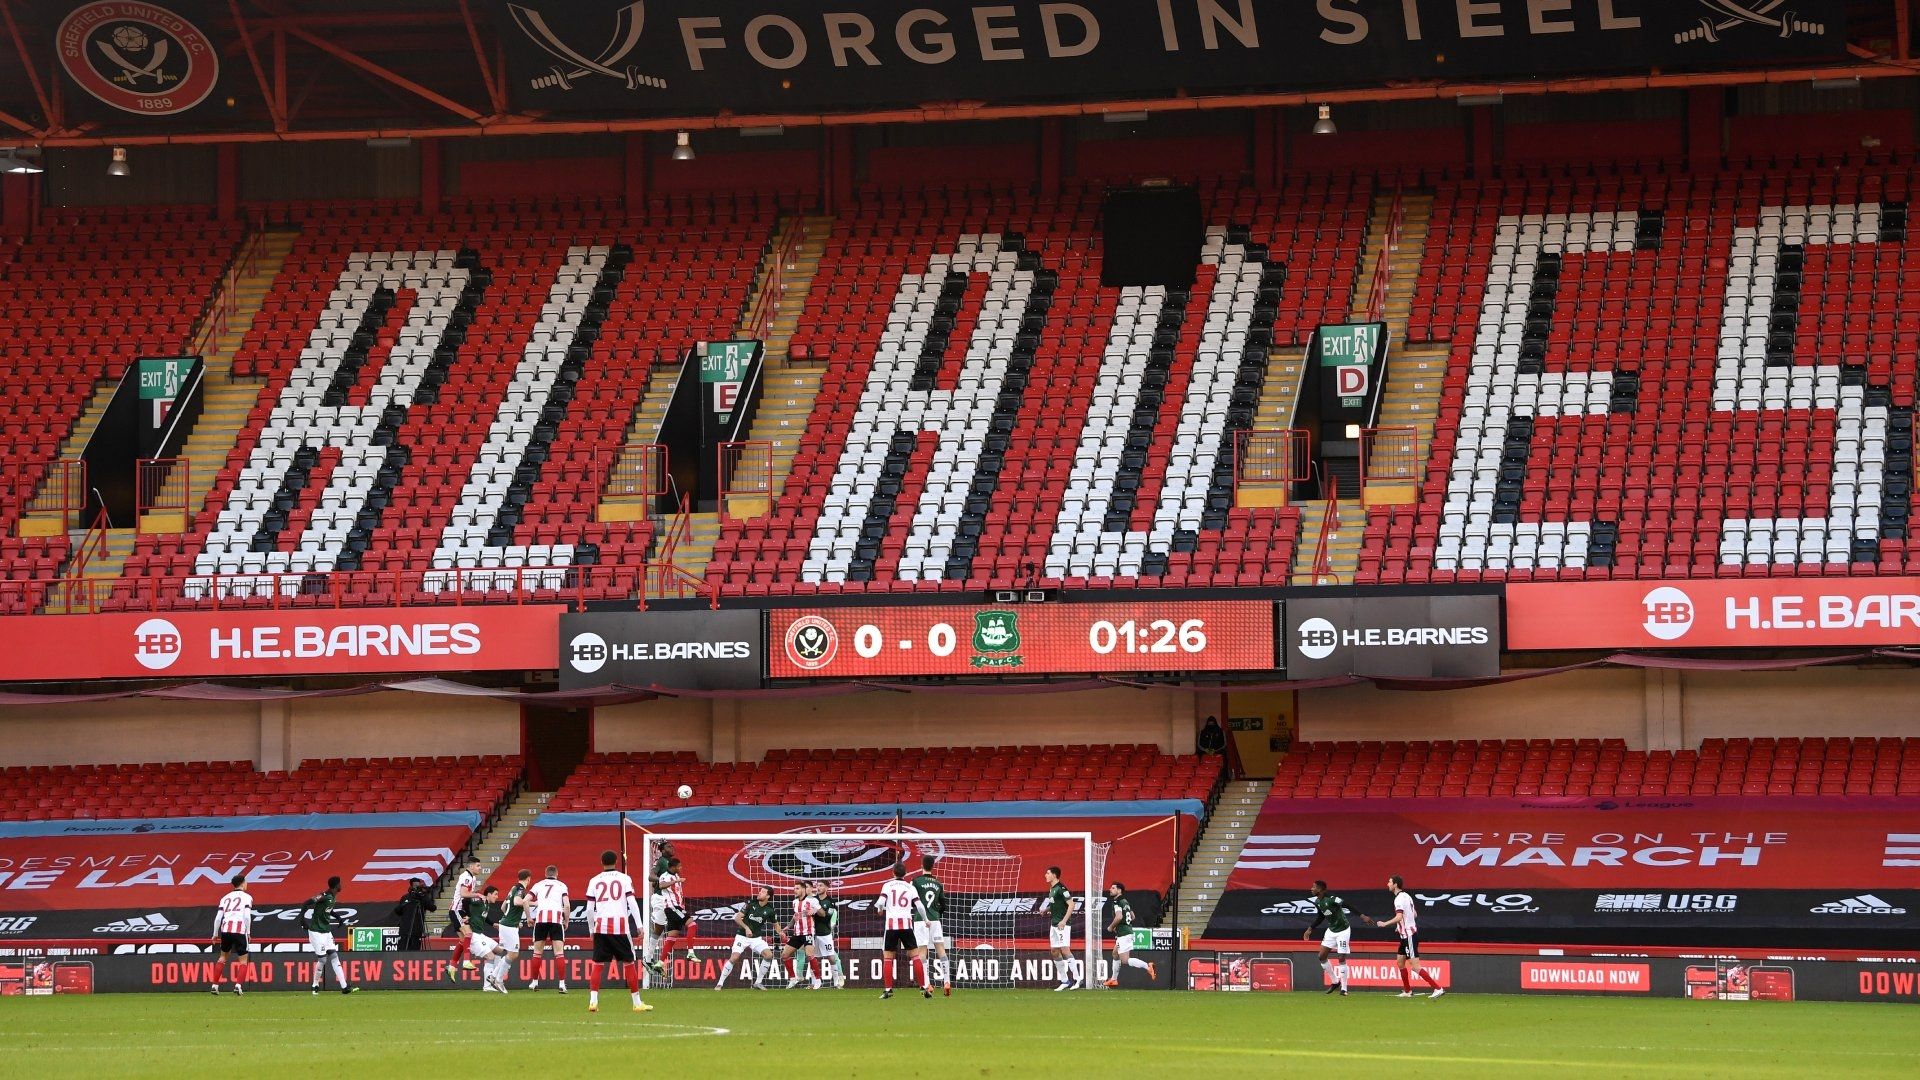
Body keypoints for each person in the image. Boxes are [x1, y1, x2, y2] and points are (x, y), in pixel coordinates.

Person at [584, 848, 652, 1014]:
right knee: (629, 963)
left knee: (597, 964)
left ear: (602, 862)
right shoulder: (624, 878)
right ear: (616, 861)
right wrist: (640, 925)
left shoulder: (594, 880)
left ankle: (593, 1002)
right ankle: (637, 1003)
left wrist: (591, 928)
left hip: (601, 926)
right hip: (620, 927)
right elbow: (632, 903)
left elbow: (589, 909)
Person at [1361, 875, 1444, 1000]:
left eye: (1389, 882)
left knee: (1415, 966)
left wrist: (1385, 923)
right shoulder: (1407, 896)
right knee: (1400, 962)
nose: (1387, 884)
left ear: (1395, 884)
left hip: (1409, 936)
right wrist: (1400, 926)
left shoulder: (1398, 899)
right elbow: (1414, 914)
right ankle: (1407, 991)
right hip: (1405, 935)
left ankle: (1437, 988)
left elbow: (1400, 917)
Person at [876, 862, 931, 1000]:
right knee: (915, 956)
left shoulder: (887, 885)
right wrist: (926, 920)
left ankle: (888, 990)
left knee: (888, 957)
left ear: (893, 872)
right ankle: (924, 987)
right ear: (905, 873)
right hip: (906, 925)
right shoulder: (910, 887)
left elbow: (880, 902)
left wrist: (880, 909)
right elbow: (920, 906)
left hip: (891, 926)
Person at [300, 875, 358, 995]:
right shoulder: (324, 896)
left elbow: (328, 909)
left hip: (326, 932)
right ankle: (315, 984)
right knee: (322, 959)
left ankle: (344, 986)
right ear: (336, 886)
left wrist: (338, 917)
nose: (341, 886)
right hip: (316, 932)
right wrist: (302, 919)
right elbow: (307, 903)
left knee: (334, 956)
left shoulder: (331, 898)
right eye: (340, 884)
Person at [717, 886, 776, 990]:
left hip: (756, 938)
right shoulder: (750, 903)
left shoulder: (770, 910)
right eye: (760, 891)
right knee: (734, 957)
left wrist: (782, 933)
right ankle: (720, 983)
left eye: (762, 892)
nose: (759, 893)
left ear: (768, 896)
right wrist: (747, 928)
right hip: (742, 936)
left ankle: (758, 982)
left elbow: (776, 924)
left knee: (768, 955)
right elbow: (737, 918)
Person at [1102, 882, 1156, 988]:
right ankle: (1113, 979)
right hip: (1125, 932)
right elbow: (1133, 916)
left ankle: (1148, 966)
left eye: (1113, 888)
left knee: (1125, 960)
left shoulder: (1117, 901)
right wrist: (1124, 924)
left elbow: (1118, 917)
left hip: (1124, 934)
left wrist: (1111, 927)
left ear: (1119, 890)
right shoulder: (1125, 901)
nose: (1110, 889)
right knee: (1115, 954)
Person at [527, 864, 571, 992]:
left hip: (541, 921)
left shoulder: (539, 884)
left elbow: (525, 900)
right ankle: (562, 984)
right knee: (559, 953)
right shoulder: (562, 885)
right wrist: (566, 921)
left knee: (537, 953)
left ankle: (534, 982)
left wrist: (529, 917)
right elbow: (567, 905)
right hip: (556, 921)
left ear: (545, 874)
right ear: (556, 874)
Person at [1303, 880, 1351, 996]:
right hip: (1331, 930)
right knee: (1321, 956)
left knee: (1341, 957)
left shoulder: (1332, 898)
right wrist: (1311, 928)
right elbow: (1321, 917)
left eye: (1314, 887)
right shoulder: (1317, 901)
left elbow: (1347, 905)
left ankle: (1344, 989)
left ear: (1320, 889)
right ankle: (1335, 982)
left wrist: (1362, 916)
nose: (1311, 889)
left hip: (1343, 930)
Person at [912, 854, 951, 995]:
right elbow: (944, 905)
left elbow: (912, 900)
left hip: (920, 919)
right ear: (933, 866)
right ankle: (946, 981)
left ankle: (927, 984)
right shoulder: (938, 884)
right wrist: (936, 912)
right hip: (935, 918)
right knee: (941, 949)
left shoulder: (915, 882)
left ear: (922, 865)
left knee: (922, 952)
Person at [210, 874, 252, 996]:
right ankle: (238, 986)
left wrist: (215, 934)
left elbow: (218, 918)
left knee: (222, 957)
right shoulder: (247, 897)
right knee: (243, 961)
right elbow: (246, 916)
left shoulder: (225, 898)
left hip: (226, 929)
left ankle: (214, 985)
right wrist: (248, 932)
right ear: (243, 883)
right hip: (239, 930)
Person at [464, 885, 510, 994]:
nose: (497, 896)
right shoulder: (480, 901)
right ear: (488, 894)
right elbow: (465, 900)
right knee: (491, 956)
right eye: (495, 894)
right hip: (474, 935)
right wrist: (467, 915)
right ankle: (487, 985)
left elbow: (483, 917)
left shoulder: (486, 905)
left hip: (481, 934)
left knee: (499, 950)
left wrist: (493, 924)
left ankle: (495, 979)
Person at [445, 855, 482, 980]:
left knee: (463, 941)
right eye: (478, 865)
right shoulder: (466, 877)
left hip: (459, 910)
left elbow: (466, 897)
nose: (480, 868)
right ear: (471, 866)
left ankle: (451, 967)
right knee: (469, 934)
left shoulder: (473, 877)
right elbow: (463, 894)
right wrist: (478, 894)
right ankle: (466, 961)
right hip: (456, 910)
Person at [1045, 866, 1082, 991]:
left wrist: (1064, 921)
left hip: (1062, 925)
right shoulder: (1052, 889)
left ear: (1054, 875)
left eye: (1048, 873)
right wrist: (1046, 910)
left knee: (1065, 950)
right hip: (1054, 924)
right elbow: (1056, 904)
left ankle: (1078, 979)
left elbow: (1071, 904)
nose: (1045, 875)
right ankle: (1065, 980)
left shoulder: (1062, 888)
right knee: (1054, 951)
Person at [781, 881, 819, 990]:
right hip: (797, 934)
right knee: (784, 955)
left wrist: (814, 910)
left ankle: (817, 980)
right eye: (794, 888)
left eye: (797, 888)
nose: (795, 890)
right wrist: (788, 926)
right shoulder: (794, 902)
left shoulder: (812, 900)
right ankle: (793, 979)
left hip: (808, 932)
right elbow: (795, 916)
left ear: (803, 889)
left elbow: (821, 912)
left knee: (810, 955)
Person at [497, 869, 532, 988]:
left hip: (505, 923)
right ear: (528, 879)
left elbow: (503, 907)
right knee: (513, 954)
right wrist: (530, 906)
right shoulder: (521, 890)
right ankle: (498, 980)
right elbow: (517, 902)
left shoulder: (513, 888)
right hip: (509, 926)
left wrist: (514, 919)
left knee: (510, 953)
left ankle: (493, 976)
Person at [810, 883, 845, 989]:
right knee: (813, 958)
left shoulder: (830, 902)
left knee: (831, 957)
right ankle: (814, 982)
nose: (818, 887)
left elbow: (826, 916)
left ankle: (836, 982)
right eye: (818, 886)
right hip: (812, 933)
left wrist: (815, 911)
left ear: (827, 888)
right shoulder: (812, 900)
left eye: (821, 885)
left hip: (825, 933)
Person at [393, 878, 433, 952]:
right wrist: (405, 904)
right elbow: (398, 911)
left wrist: (423, 897)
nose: (416, 887)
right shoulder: (405, 897)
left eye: (418, 885)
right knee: (402, 949)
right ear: (411, 886)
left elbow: (432, 908)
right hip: (405, 929)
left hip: (417, 929)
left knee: (414, 951)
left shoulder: (422, 897)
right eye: (415, 885)